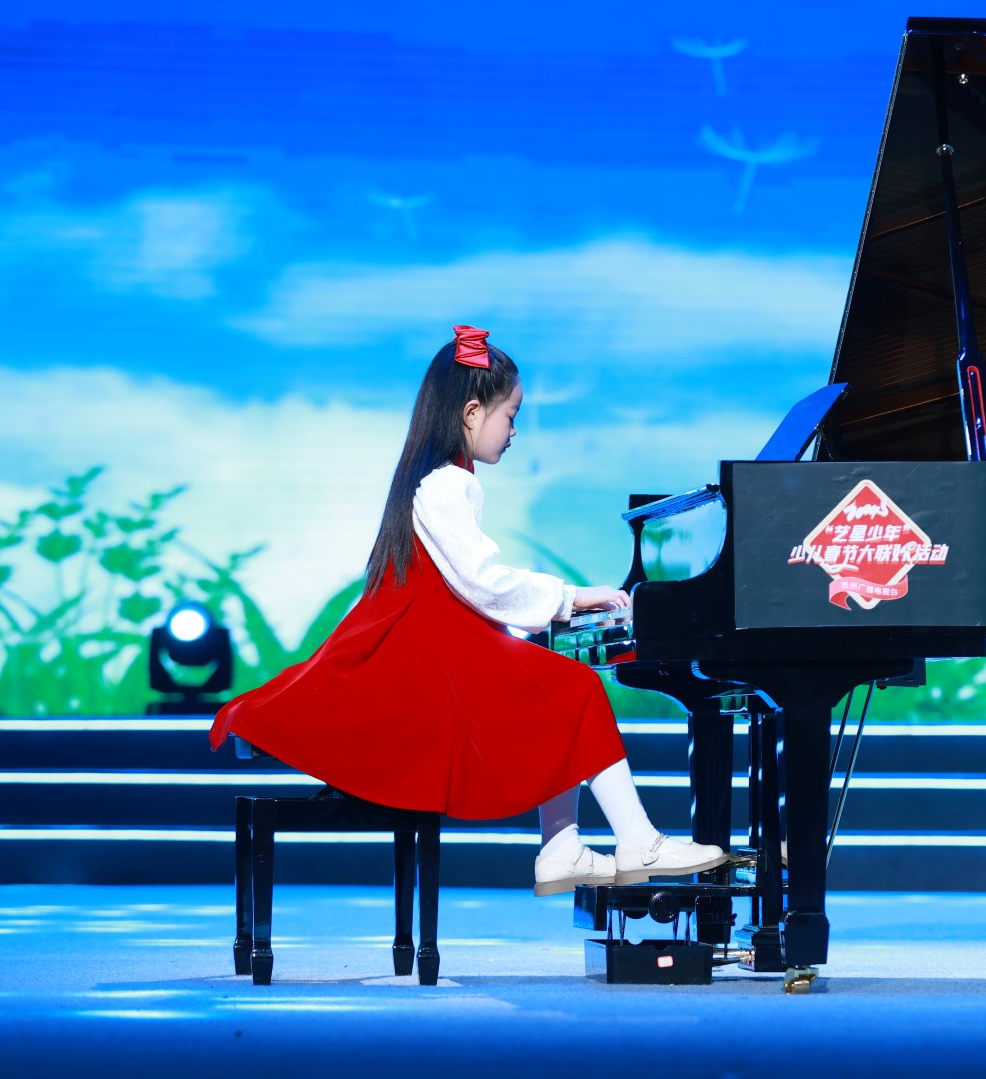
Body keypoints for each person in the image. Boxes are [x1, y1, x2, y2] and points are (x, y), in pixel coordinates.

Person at [209, 324, 727, 895]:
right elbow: (482, 581)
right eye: (511, 416)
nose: (514, 431)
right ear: (472, 412)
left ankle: (563, 850)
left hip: (433, 644)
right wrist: (570, 596)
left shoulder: (434, 479)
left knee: (562, 693)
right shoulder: (447, 483)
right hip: (434, 653)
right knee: (576, 688)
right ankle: (636, 841)